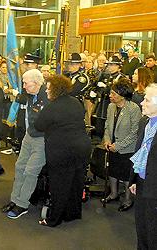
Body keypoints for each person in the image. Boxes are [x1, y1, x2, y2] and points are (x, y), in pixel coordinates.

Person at [34, 75, 91, 227]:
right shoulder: (75, 102)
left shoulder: (52, 106)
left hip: (62, 151)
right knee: (75, 183)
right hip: (82, 148)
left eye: (48, 88)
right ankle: (72, 214)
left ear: (56, 89)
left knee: (59, 185)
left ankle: (54, 219)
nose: (46, 91)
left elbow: (39, 125)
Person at [1, 69, 49, 219]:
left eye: (25, 83)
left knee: (30, 172)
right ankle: (15, 199)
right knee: (19, 167)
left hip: (42, 140)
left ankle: (22, 204)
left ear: (36, 83)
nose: (23, 85)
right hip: (29, 136)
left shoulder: (48, 97)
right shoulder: (29, 95)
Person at [101, 78, 142, 211]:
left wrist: (117, 146)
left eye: (113, 94)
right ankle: (113, 194)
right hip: (111, 146)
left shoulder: (133, 109)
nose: (110, 96)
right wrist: (107, 140)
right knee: (112, 172)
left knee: (125, 175)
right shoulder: (111, 106)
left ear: (122, 95)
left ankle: (128, 200)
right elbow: (107, 125)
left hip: (127, 149)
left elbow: (134, 133)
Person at [129, 83, 157, 250]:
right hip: (142, 183)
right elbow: (139, 151)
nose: (141, 103)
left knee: (154, 231)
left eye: (147, 100)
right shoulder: (144, 122)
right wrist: (134, 179)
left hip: (155, 187)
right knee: (142, 228)